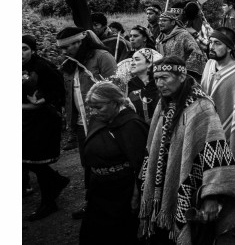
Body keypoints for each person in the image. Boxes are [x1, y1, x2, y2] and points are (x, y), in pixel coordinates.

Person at [139, 57, 235, 244]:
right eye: (156, 78)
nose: (159, 83)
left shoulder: (201, 106)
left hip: (194, 187)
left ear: (182, 76)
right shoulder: (164, 103)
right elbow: (153, 145)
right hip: (165, 180)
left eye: (165, 77)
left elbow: (215, 151)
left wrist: (211, 196)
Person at [200, 28, 235, 237]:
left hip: (231, 133)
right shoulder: (209, 65)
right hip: (210, 130)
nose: (211, 47)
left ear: (230, 47)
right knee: (214, 178)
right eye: (210, 43)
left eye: (217, 43)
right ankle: (221, 217)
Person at [56, 27, 117, 220]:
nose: (64, 52)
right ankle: (92, 202)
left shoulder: (102, 57)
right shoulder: (69, 63)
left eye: (67, 47)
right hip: (82, 125)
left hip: (102, 122)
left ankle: (113, 202)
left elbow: (116, 89)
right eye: (62, 49)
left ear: (79, 42)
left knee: (107, 162)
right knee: (88, 163)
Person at [80, 81, 148, 244]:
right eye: (91, 107)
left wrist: (136, 197)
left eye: (99, 107)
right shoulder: (98, 120)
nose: (94, 112)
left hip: (121, 194)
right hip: (99, 191)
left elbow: (141, 166)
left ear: (115, 102)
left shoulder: (132, 125)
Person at [23, 35, 69, 221]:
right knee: (26, 160)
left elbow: (59, 90)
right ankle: (56, 182)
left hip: (43, 120)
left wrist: (42, 100)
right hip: (26, 119)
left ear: (33, 50)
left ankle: (48, 202)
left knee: (36, 161)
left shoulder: (43, 67)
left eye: (24, 48)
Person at [156, 9, 207, 81]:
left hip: (180, 77)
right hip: (164, 77)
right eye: (160, 21)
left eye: (164, 21)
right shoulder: (159, 39)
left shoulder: (184, 35)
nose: (160, 23)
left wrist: (185, 73)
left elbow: (196, 53)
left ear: (173, 22)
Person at [127, 48, 162, 124]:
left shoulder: (160, 84)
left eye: (137, 59)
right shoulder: (128, 85)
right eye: (132, 60)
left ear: (149, 63)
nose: (132, 63)